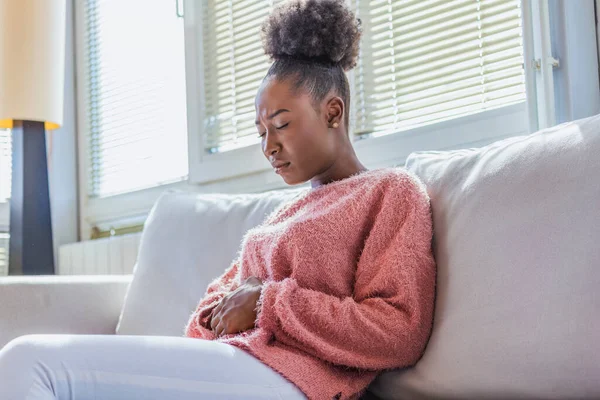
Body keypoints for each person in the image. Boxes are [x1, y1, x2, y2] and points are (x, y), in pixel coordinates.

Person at [0, 1, 435, 399]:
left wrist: (267, 302)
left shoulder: (390, 192)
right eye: (262, 132)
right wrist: (232, 309)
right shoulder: (285, 213)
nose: (269, 146)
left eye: (281, 124)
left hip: (295, 380)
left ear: (333, 113)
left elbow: (399, 330)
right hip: (238, 364)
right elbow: (215, 306)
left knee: (28, 361)